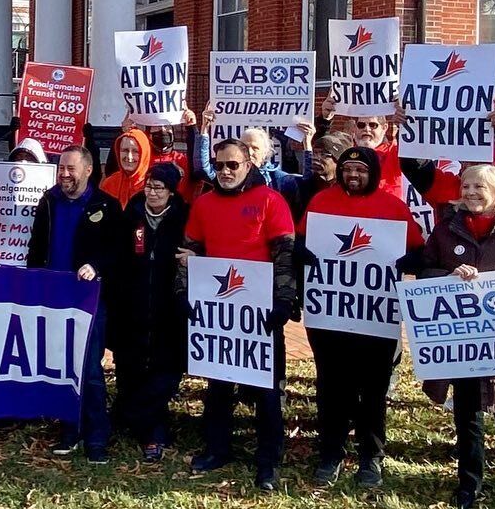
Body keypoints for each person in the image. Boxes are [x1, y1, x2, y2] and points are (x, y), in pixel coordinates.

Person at [297, 147, 425, 488]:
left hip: (376, 316)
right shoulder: (321, 202)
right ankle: (331, 453)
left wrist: (410, 261)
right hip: (330, 316)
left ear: (373, 173)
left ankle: (371, 456)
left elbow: (418, 247)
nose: (353, 175)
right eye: (347, 168)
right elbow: (300, 237)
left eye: (360, 169)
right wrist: (302, 252)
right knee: (331, 387)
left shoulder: (393, 207)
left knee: (373, 390)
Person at [174, 138, 295, 491]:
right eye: (220, 165)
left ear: (248, 166)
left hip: (261, 311)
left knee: (267, 390)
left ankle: (268, 459)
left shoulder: (271, 201)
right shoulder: (204, 203)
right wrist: (183, 292)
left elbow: (284, 254)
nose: (225, 171)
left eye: (233, 165)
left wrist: (284, 302)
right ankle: (217, 448)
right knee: (218, 386)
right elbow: (188, 252)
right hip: (218, 313)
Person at [418, 165, 495, 509]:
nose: (471, 192)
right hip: (464, 344)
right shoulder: (447, 228)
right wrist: (449, 275)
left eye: (480, 186)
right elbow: (426, 268)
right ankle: (468, 486)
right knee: (469, 419)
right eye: (467, 186)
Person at [27, 145, 121, 464]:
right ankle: (71, 429)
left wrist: (96, 266)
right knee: (63, 368)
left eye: (71, 169)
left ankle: (97, 436)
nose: (64, 174)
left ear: (88, 170)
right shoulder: (49, 201)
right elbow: (36, 246)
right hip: (54, 298)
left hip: (88, 301)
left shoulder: (106, 206)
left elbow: (117, 250)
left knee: (91, 371)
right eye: (61, 168)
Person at [113, 162, 189, 463]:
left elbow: (200, 248)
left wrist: (194, 258)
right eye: (149, 185)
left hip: (170, 308)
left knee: (165, 372)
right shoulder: (132, 215)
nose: (152, 192)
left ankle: (144, 424)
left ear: (171, 192)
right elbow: (119, 254)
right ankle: (144, 428)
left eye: (159, 187)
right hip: (134, 306)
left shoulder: (184, 217)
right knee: (131, 368)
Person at [400, 106, 495, 207]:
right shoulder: (447, 188)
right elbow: (415, 166)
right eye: (468, 157)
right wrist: (409, 127)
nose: (472, 193)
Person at [314, 94, 405, 199]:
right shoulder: (344, 152)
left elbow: (414, 154)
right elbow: (319, 151)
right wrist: (324, 120)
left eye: (373, 125)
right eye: (361, 125)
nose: (366, 129)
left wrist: (405, 118)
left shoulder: (393, 153)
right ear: (354, 128)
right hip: (351, 211)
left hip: (385, 212)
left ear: (384, 128)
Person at [293, 132, 354, 222]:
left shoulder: (349, 190)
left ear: (338, 160)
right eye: (315, 153)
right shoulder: (303, 187)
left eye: (323, 154)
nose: (316, 158)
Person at [99, 128, 151, 209]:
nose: (129, 157)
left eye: (135, 151)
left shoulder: (153, 186)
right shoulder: (109, 183)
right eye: (125, 150)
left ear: (145, 154)